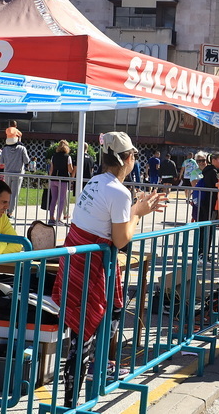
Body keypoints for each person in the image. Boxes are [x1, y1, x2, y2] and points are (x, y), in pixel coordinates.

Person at [51, 131, 166, 409]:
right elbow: (121, 239)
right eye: (134, 155)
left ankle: (85, 382)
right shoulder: (118, 191)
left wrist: (134, 209)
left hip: (80, 260)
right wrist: (137, 212)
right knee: (88, 332)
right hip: (91, 266)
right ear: (127, 159)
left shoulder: (96, 181)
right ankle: (78, 393)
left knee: (89, 330)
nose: (135, 159)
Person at [0, 137, 30, 218]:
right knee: (14, 194)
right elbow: (26, 160)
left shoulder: (5, 149)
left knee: (6, 193)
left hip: (7, 173)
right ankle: (10, 212)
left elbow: (1, 161)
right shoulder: (22, 148)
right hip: (18, 174)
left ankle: (4, 210)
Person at [48, 140, 74, 226]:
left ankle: (51, 218)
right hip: (63, 179)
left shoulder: (54, 156)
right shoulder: (68, 157)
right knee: (61, 200)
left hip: (54, 178)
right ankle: (58, 219)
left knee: (53, 199)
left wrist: (50, 178)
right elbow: (70, 170)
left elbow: (51, 169)